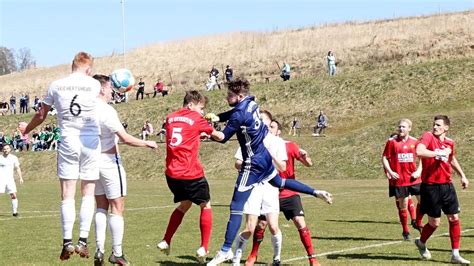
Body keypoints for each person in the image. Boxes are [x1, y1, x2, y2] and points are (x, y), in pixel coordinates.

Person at [206, 78, 332, 266]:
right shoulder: (252, 102)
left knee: (235, 208)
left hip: (251, 164)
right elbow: (233, 113)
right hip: (264, 158)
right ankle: (316, 192)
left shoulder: (240, 114)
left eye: (230, 95)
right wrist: (218, 117)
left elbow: (223, 137)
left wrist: (205, 128)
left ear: (240, 96)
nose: (227, 97)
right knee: (280, 182)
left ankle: (225, 250)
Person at [19, 51, 101, 261]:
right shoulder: (94, 85)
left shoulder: (56, 85)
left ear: (72, 66)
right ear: (89, 68)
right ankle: (83, 241)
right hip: (90, 140)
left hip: (68, 139)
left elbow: (41, 115)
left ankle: (67, 242)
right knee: (88, 192)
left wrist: (26, 129)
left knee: (67, 193)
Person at [92, 74, 157, 266]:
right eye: (110, 88)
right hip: (109, 162)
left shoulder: (87, 108)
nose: (112, 91)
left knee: (101, 207)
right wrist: (147, 143)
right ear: (102, 89)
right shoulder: (106, 110)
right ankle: (117, 253)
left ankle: (99, 249)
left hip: (92, 162)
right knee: (117, 207)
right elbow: (126, 138)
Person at [157, 90, 224, 264]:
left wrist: (199, 133)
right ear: (191, 104)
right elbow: (218, 136)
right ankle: (204, 247)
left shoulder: (170, 117)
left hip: (172, 174)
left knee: (185, 204)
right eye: (201, 108)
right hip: (190, 172)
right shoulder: (197, 119)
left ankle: (166, 240)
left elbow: (183, 134)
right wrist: (215, 130)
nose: (202, 112)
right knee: (205, 205)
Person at [246, 120, 321, 266]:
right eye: (267, 127)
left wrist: (305, 157)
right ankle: (253, 254)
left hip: (288, 192)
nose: (269, 129)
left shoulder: (290, 145)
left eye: (272, 127)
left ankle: (312, 258)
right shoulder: (260, 145)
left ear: (279, 131)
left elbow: (309, 164)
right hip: (268, 191)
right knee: (261, 224)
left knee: (300, 222)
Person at [232, 111, 287, 265]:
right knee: (250, 227)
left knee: (273, 226)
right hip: (253, 186)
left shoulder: (277, 142)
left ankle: (277, 258)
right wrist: (250, 167)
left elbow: (282, 167)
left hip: (270, 187)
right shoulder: (248, 139)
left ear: (269, 123)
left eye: (262, 119)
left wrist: (269, 156)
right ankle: (236, 259)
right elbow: (237, 162)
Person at [414, 115, 470, 264]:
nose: (435, 127)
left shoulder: (450, 142)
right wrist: (437, 153)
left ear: (446, 127)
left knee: (454, 218)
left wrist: (463, 175)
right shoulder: (428, 136)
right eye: (434, 125)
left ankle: (455, 255)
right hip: (430, 187)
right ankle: (421, 242)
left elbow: (451, 159)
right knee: (434, 223)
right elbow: (419, 151)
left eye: (438, 125)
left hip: (447, 186)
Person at [382, 119, 423, 241]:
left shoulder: (415, 142)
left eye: (404, 127)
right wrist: (390, 171)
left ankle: (417, 222)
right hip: (400, 180)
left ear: (409, 128)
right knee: (403, 204)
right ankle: (405, 231)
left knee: (423, 202)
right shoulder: (392, 142)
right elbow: (384, 157)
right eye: (399, 127)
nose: (401, 129)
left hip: (414, 178)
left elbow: (422, 158)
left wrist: (419, 170)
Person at [0, 144, 24, 217]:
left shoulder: (14, 158)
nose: (6, 150)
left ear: (10, 149)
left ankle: (15, 212)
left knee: (13, 195)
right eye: (4, 149)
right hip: (1, 179)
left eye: (7, 148)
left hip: (10, 180)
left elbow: (17, 168)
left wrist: (21, 178)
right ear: (2, 150)